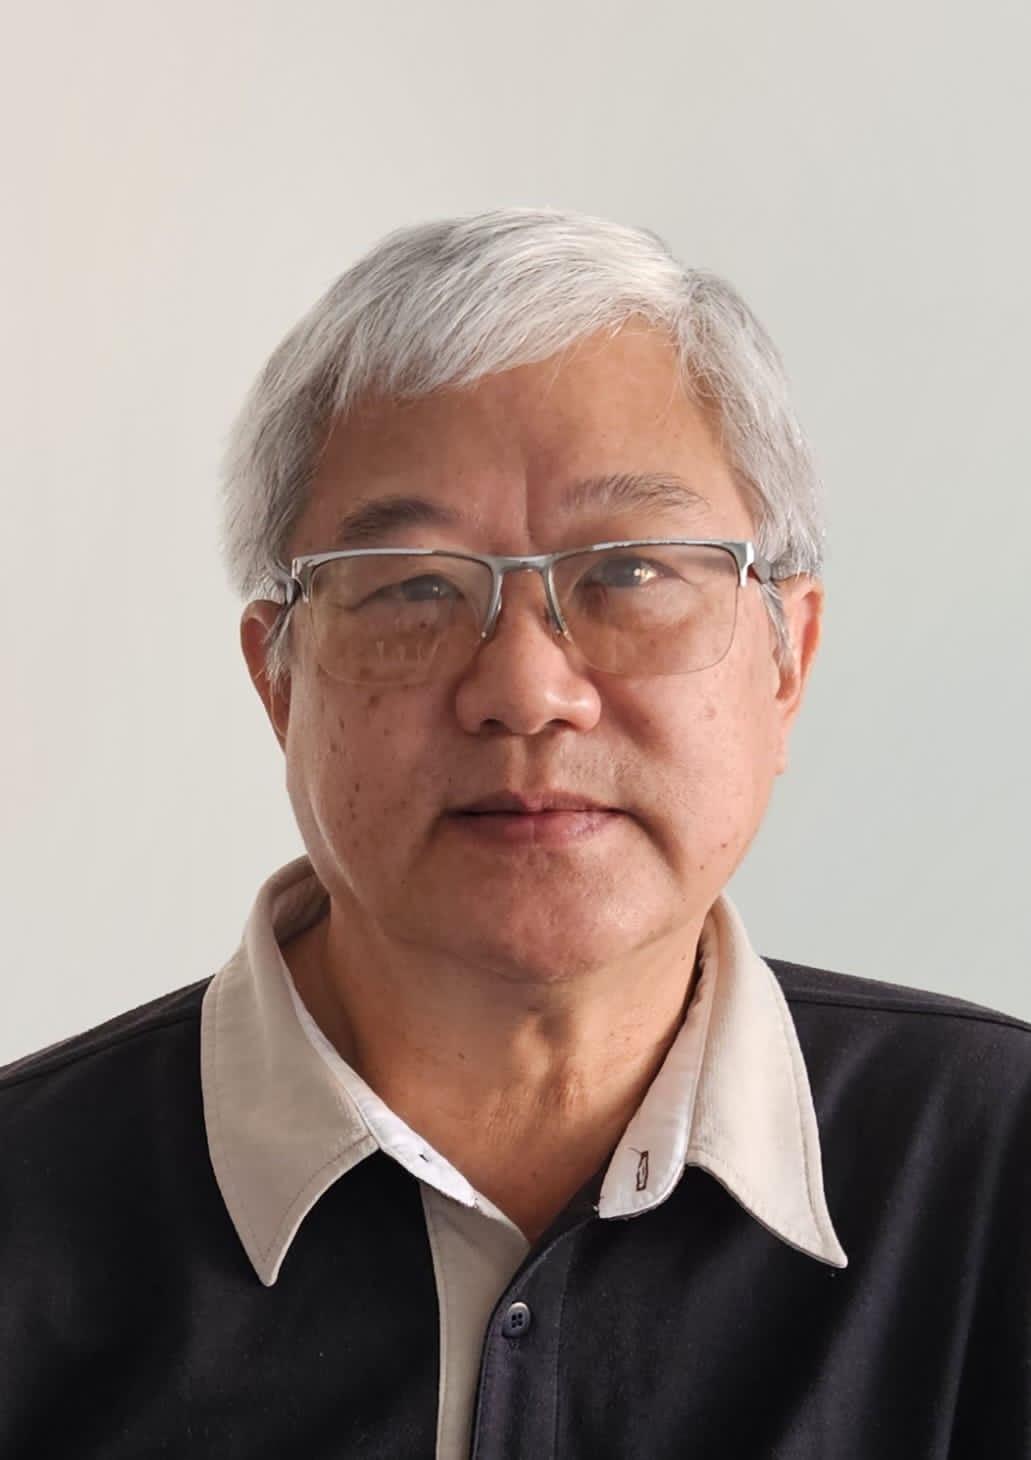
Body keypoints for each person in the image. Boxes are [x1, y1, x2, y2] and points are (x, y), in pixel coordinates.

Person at [1, 210, 1028, 1460]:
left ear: (785, 660)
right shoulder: (28, 1204)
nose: (526, 689)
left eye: (629, 572)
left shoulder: (990, 1170)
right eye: (414, 584)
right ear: (278, 678)